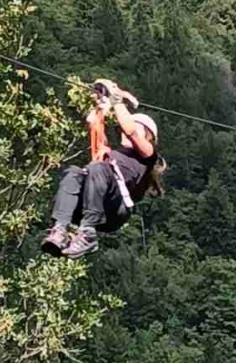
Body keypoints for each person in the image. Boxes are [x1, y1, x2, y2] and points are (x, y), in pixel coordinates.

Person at [42, 84, 162, 258]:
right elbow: (95, 129)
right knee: (74, 172)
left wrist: (116, 101)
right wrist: (100, 106)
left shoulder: (147, 155)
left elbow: (131, 132)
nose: (125, 130)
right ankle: (60, 229)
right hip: (95, 204)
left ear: (148, 135)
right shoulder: (111, 155)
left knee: (98, 168)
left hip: (115, 209)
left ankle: (87, 233)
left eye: (137, 125)